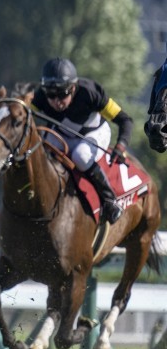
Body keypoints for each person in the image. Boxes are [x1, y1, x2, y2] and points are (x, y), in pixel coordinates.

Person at [33, 57, 131, 224]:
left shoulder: (90, 92)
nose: (56, 101)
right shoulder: (40, 97)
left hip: (94, 133)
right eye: (50, 94)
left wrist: (121, 145)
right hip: (63, 134)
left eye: (62, 93)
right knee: (42, 150)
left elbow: (125, 120)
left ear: (73, 88)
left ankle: (110, 201)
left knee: (81, 155)